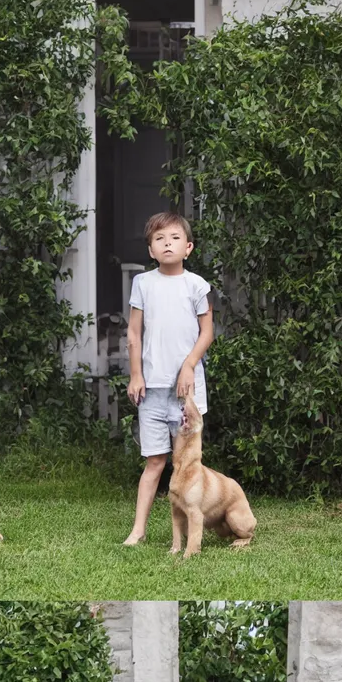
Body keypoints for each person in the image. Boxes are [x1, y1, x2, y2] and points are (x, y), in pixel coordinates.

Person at [122, 211, 215, 546]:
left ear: (188, 247)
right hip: (153, 390)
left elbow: (207, 332)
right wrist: (136, 374)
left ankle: (189, 530)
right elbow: (134, 332)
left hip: (186, 392)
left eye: (175, 238)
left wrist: (189, 365)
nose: (167, 244)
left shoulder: (196, 285)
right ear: (150, 249)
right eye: (159, 239)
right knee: (155, 462)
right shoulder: (143, 283)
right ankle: (138, 530)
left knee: (186, 463)